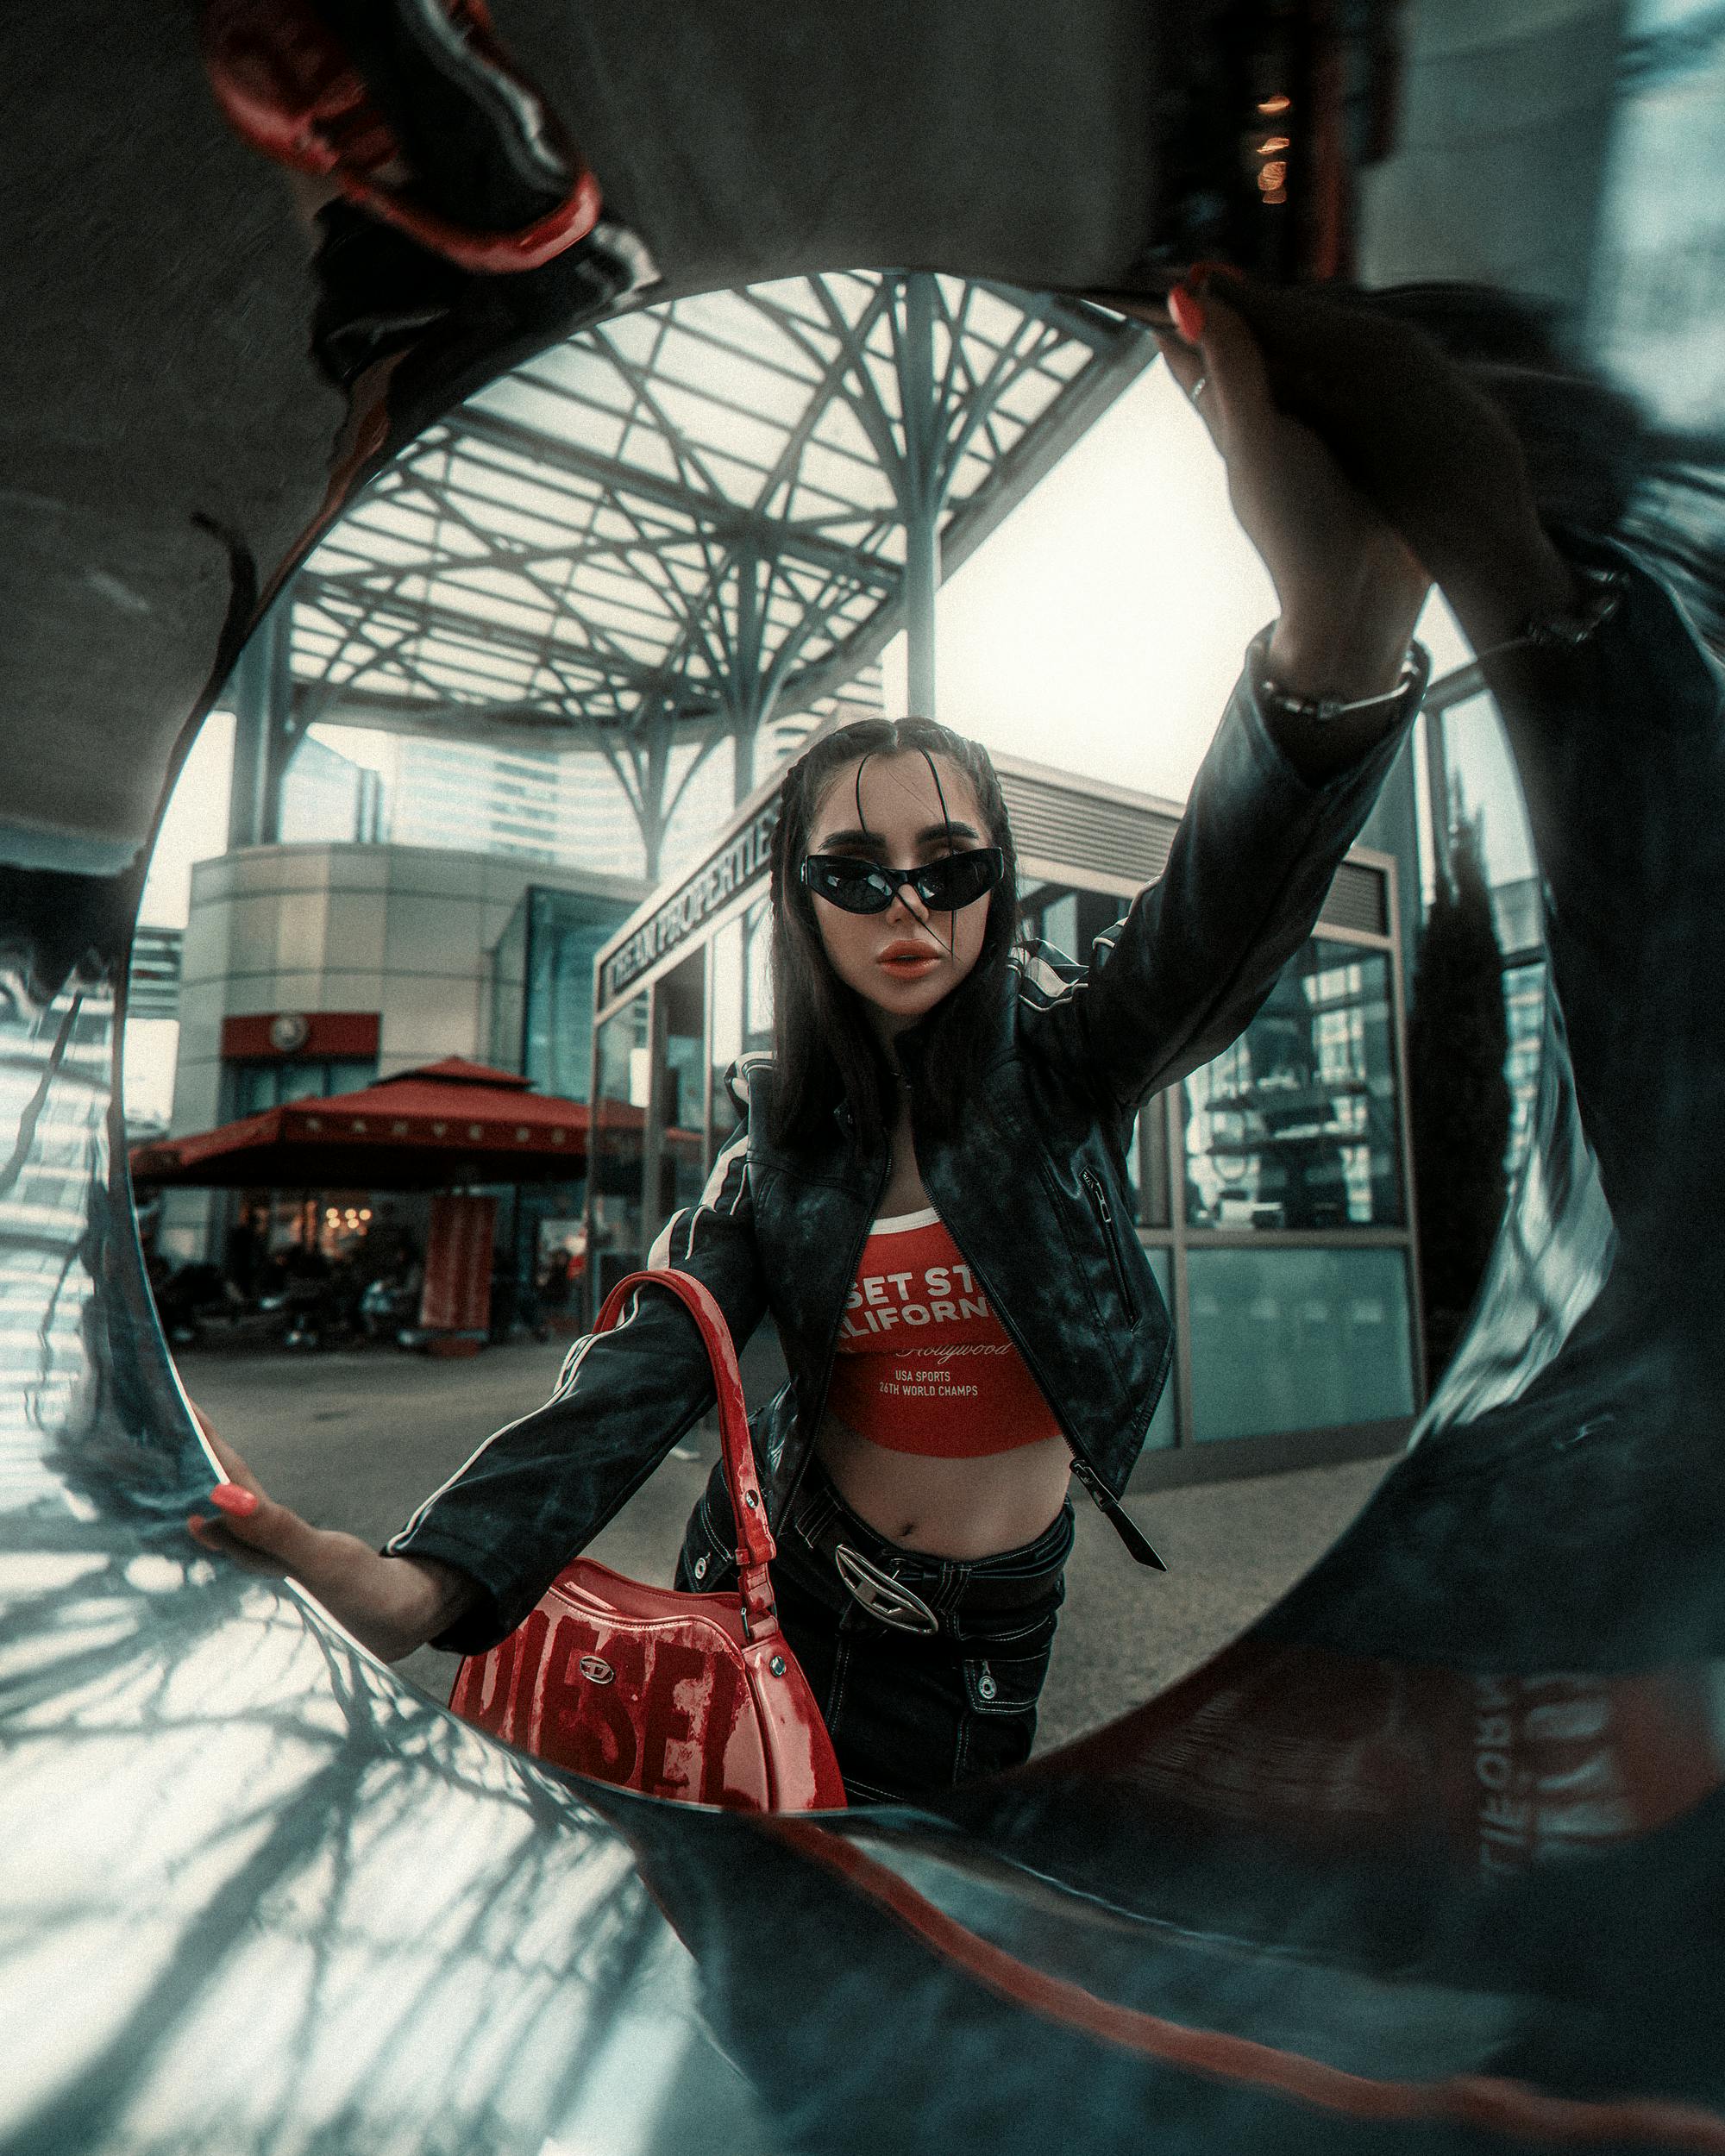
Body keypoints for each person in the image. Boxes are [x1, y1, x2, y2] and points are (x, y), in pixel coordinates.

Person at [186, 273, 1587, 1803]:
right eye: (854, 874)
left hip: (986, 1635)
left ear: (1000, 883)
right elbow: (642, 1376)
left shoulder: (1062, 1069)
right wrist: (423, 1582)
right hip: (780, 1602)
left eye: (954, 864)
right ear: (802, 906)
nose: (908, 903)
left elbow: (1207, 938)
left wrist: (1330, 650)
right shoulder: (774, 1154)